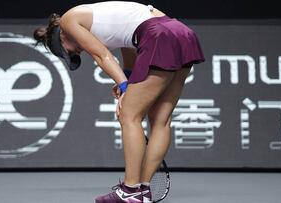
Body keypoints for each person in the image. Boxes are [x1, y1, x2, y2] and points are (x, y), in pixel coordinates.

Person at [33, 1, 205, 203]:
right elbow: (130, 54)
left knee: (128, 115)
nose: (77, 52)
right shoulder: (105, 23)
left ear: (61, 37)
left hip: (158, 34)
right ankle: (143, 190)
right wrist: (126, 79)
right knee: (161, 119)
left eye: (69, 52)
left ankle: (130, 190)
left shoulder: (69, 20)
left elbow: (102, 55)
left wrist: (125, 87)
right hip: (181, 33)